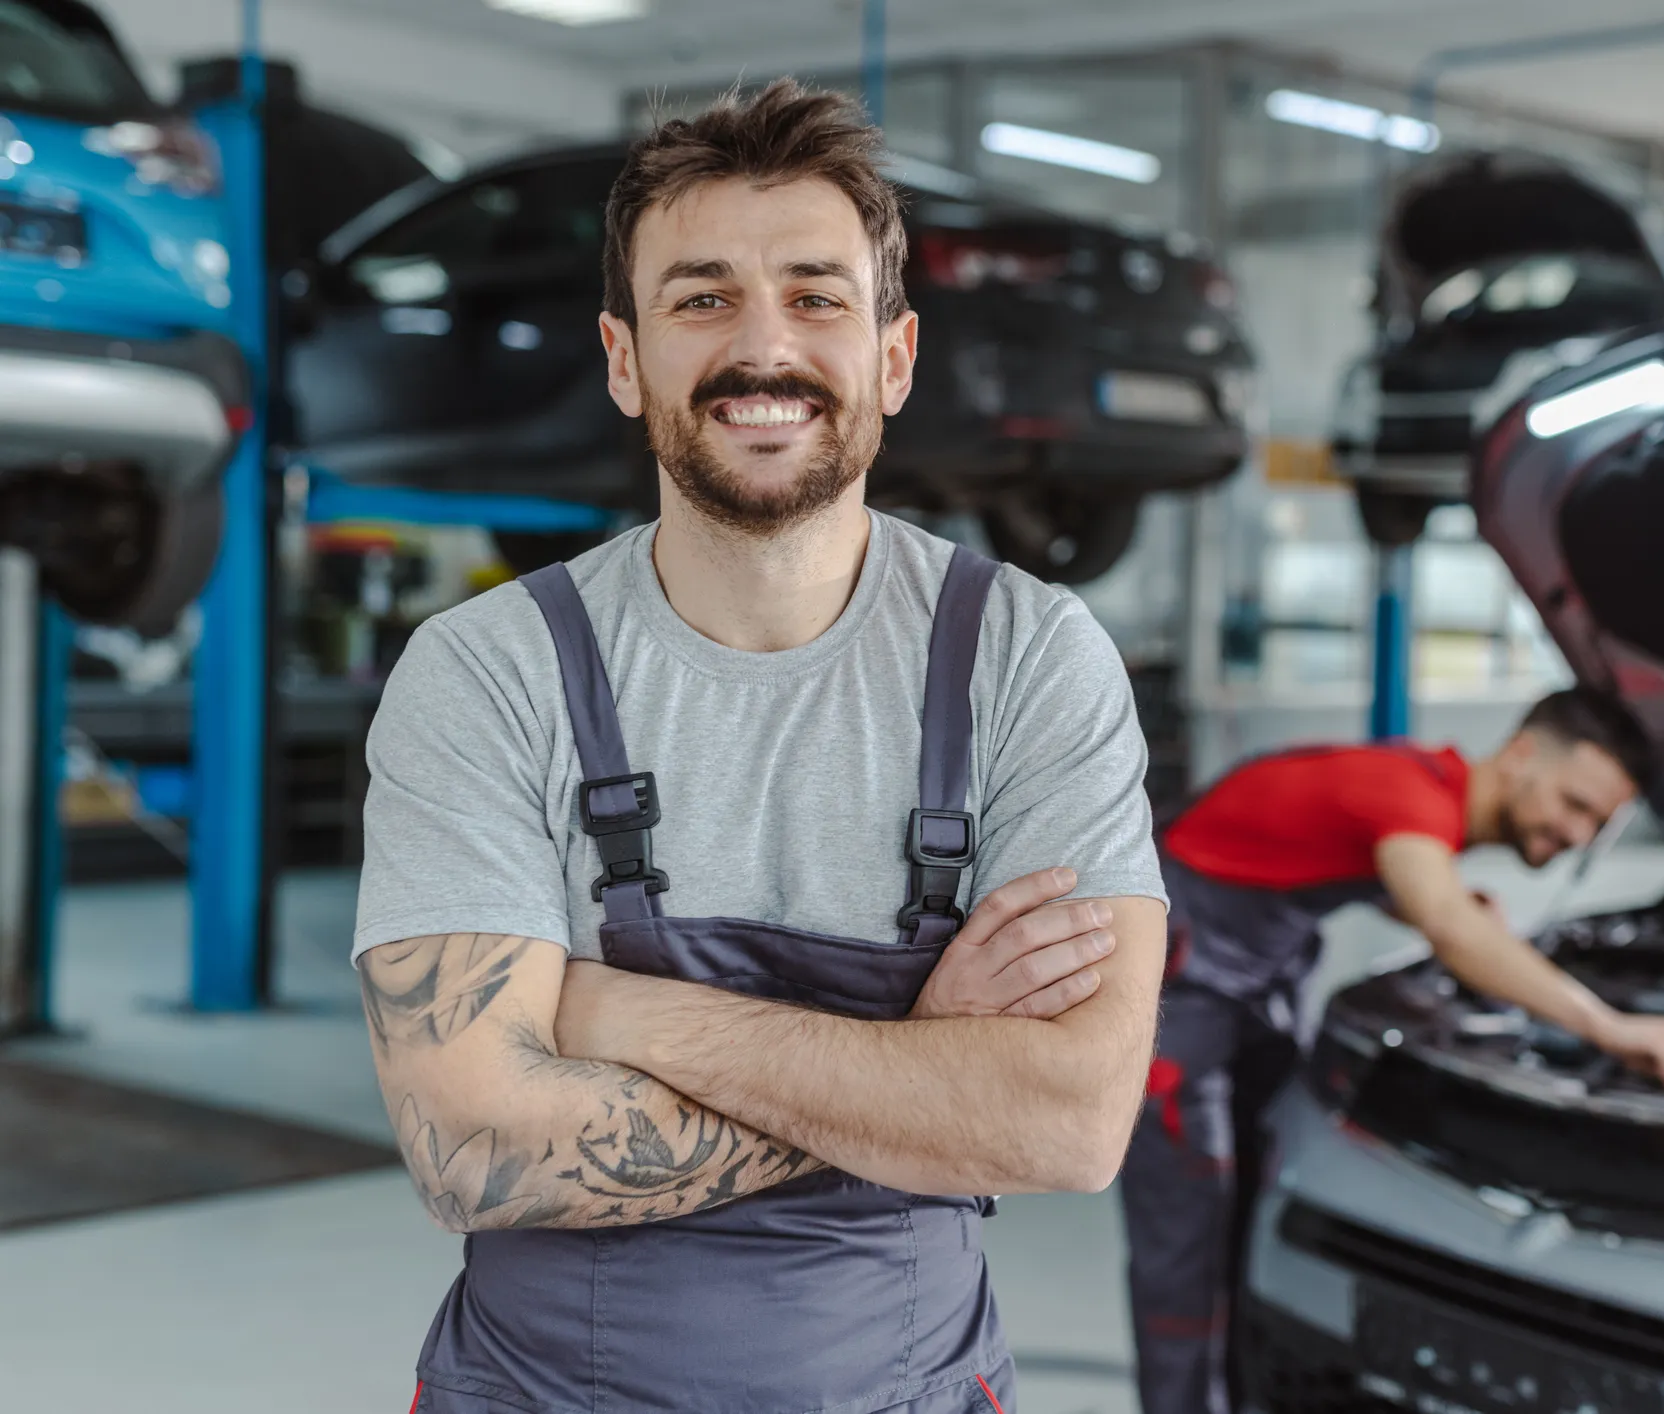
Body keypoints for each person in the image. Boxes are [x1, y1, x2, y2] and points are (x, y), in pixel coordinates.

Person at [352, 80, 1169, 1414]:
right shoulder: (486, 672)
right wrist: (917, 1063)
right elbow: (474, 1145)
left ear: (893, 359)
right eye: (703, 297)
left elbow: (1069, 1119)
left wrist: (613, 1010)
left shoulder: (1029, 655)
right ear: (625, 359)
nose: (763, 346)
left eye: (816, 294)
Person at [1120, 688, 1664, 1414]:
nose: (1578, 833)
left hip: (1255, 983)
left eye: (1597, 823)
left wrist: (1448, 906)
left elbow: (1367, 865)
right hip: (1180, 990)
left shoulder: (1421, 795)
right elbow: (1451, 933)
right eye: (1575, 803)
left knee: (1251, 1220)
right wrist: (1611, 1028)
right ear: (1522, 755)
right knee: (1188, 1247)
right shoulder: (1409, 793)